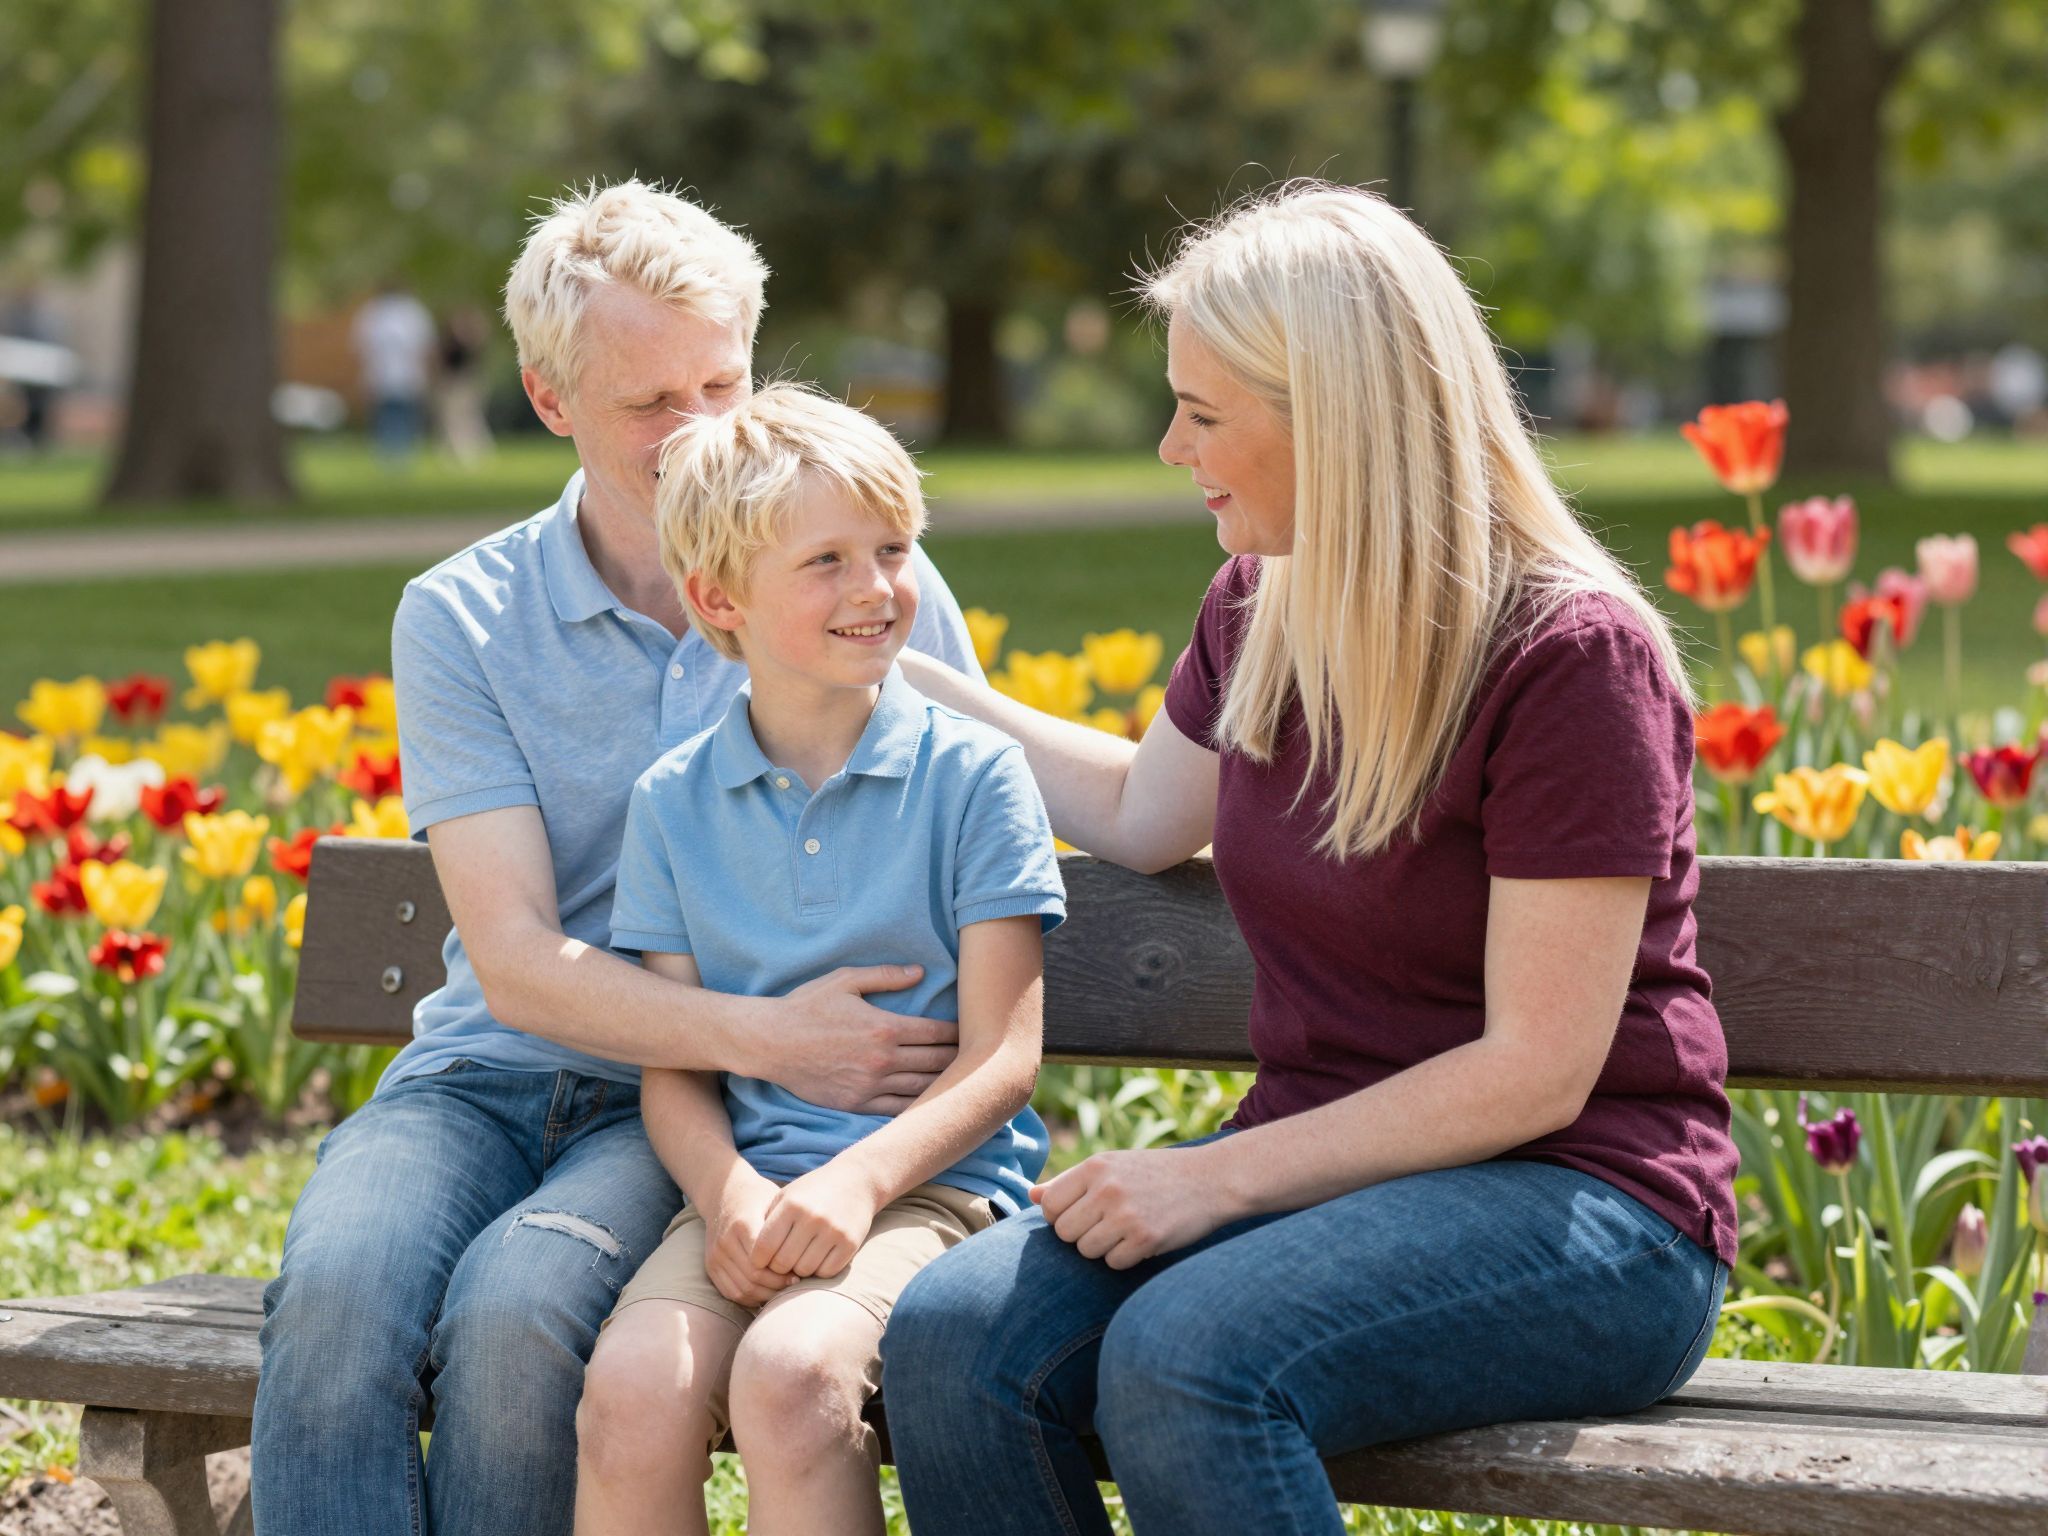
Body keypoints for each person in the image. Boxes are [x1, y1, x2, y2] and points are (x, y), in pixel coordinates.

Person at [881, 182, 1738, 1535]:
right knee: (949, 1337)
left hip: (1589, 1212)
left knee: (1191, 1360)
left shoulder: (1573, 658)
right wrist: (895, 677)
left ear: (1337, 421)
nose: (1171, 447)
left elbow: (1538, 1069)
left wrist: (1208, 1178)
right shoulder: (1263, 605)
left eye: (1206, 413)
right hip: (1325, 1177)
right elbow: (1140, 812)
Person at [251, 182, 984, 1536]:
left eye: (724, 382)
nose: (701, 430)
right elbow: (518, 966)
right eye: (651, 404)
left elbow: (967, 816)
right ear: (547, 398)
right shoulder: (464, 616)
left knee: (517, 1317)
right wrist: (775, 1033)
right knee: (336, 1299)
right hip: (487, 1071)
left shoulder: (857, 578)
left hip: (680, 1099)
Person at [572, 384, 1063, 1536]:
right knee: (631, 1391)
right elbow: (674, 1066)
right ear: (716, 599)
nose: (874, 588)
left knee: (792, 1379)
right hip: (742, 1198)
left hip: (933, 1193)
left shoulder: (975, 777)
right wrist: (728, 1194)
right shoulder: (672, 804)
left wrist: (854, 1184)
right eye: (826, 560)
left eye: (891, 550)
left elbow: (1004, 1060)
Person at [352, 280, 436, 460]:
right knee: (400, 415)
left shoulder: (373, 313)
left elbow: (362, 347)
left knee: (389, 415)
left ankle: (391, 453)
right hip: (402, 375)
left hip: (385, 375)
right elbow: (425, 346)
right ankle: (399, 453)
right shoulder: (413, 312)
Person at [435, 305, 495, 462]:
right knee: (456, 418)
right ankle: (455, 449)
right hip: (455, 383)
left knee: (462, 418)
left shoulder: (465, 344)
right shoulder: (455, 342)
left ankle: (469, 449)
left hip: (461, 384)